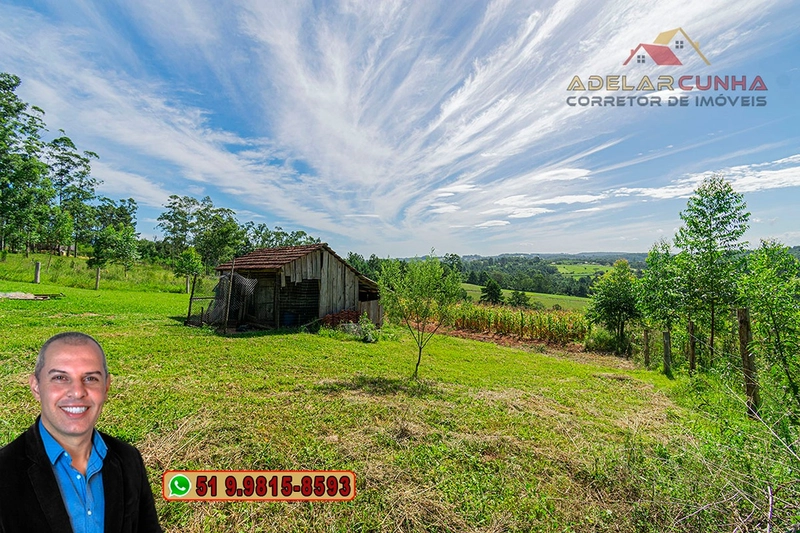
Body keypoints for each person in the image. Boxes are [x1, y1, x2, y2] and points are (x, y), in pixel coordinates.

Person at [0, 332, 162, 533]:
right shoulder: (4, 471)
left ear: (106, 387)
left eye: (90, 378)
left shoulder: (129, 459)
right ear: (36, 387)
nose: (77, 392)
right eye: (60, 378)